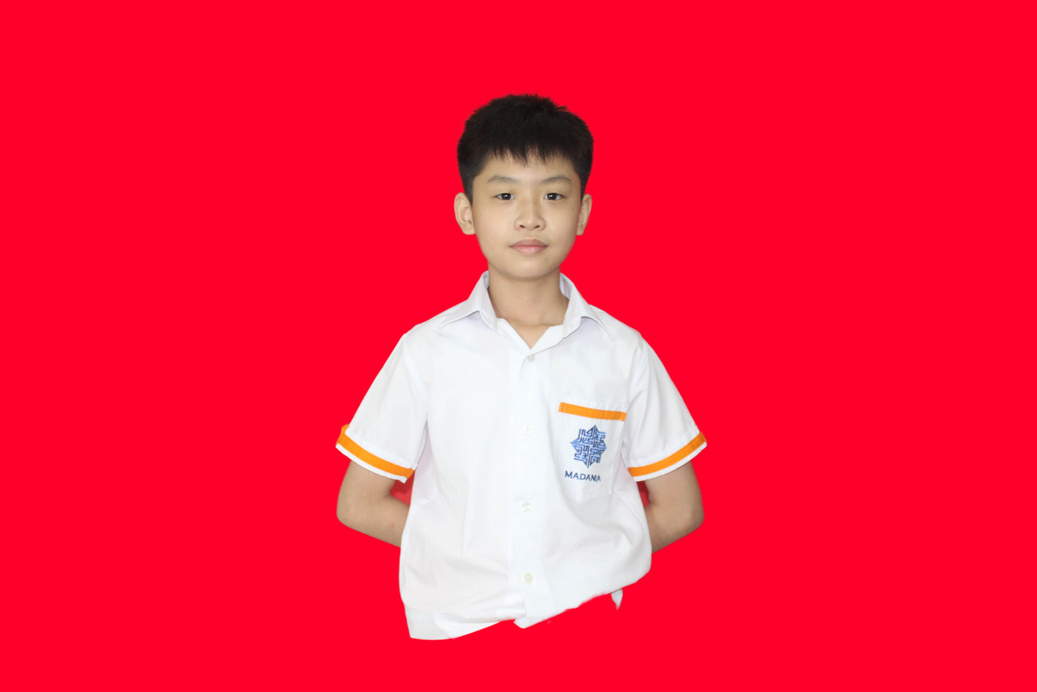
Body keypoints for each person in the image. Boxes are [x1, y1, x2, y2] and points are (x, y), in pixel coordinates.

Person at [335, 94, 706, 640]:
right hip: (457, 630)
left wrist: (584, 566)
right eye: (505, 194)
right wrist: (465, 552)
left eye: (553, 195)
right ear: (467, 212)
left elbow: (680, 509)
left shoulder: (622, 352)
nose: (530, 216)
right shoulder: (427, 350)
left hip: (588, 629)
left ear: (582, 212)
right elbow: (358, 503)